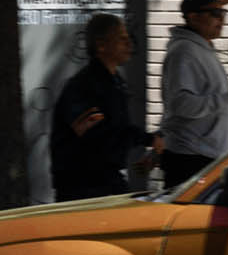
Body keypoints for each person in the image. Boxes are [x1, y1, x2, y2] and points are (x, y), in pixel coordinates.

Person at [50, 13, 158, 200]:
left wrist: (148, 143)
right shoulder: (83, 87)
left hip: (105, 180)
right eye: (121, 38)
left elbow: (117, 130)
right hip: (82, 187)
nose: (128, 44)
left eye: (128, 38)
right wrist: (146, 139)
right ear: (101, 45)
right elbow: (99, 136)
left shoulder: (114, 82)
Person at [159, 0, 228, 187]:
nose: (222, 19)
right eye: (215, 13)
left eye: (223, 13)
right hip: (191, 161)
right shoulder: (184, 52)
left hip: (205, 158)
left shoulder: (202, 48)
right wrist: (227, 98)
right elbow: (181, 105)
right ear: (193, 17)